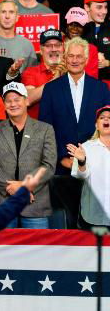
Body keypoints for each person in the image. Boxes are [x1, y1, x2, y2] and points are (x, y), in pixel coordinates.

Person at [39, 37, 110, 228]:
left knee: (93, 227)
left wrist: (87, 161)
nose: (75, 60)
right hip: (62, 169)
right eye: (71, 55)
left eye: (79, 56)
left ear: (86, 59)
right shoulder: (51, 88)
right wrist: (62, 157)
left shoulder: (101, 88)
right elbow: (45, 129)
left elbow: (106, 128)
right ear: (65, 57)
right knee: (66, 226)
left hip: (96, 170)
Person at [0, 82, 57, 229]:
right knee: (1, 251)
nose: (13, 104)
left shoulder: (45, 129)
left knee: (37, 251)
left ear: (27, 101)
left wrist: (24, 187)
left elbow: (48, 165)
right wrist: (11, 187)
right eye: (8, 101)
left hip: (35, 204)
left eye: (17, 99)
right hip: (1, 203)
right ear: (4, 105)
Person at [69, 105, 110, 229]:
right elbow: (80, 175)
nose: (106, 120)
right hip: (93, 215)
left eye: (109, 117)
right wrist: (82, 161)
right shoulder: (86, 148)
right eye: (102, 118)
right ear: (96, 125)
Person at [22, 29, 67, 119]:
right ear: (41, 50)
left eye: (57, 45)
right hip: (38, 130)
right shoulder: (31, 72)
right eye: (48, 46)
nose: (53, 49)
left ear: (63, 48)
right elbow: (28, 99)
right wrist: (57, 77)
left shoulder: (72, 72)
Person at [0, 0, 37, 72]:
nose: (7, 16)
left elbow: (32, 74)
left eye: (11, 12)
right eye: (3, 12)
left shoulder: (27, 44)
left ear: (17, 17)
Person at [82, 0, 110, 84]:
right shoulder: (77, 31)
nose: (104, 11)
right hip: (84, 87)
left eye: (105, 7)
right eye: (99, 7)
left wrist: (107, 63)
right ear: (86, 7)